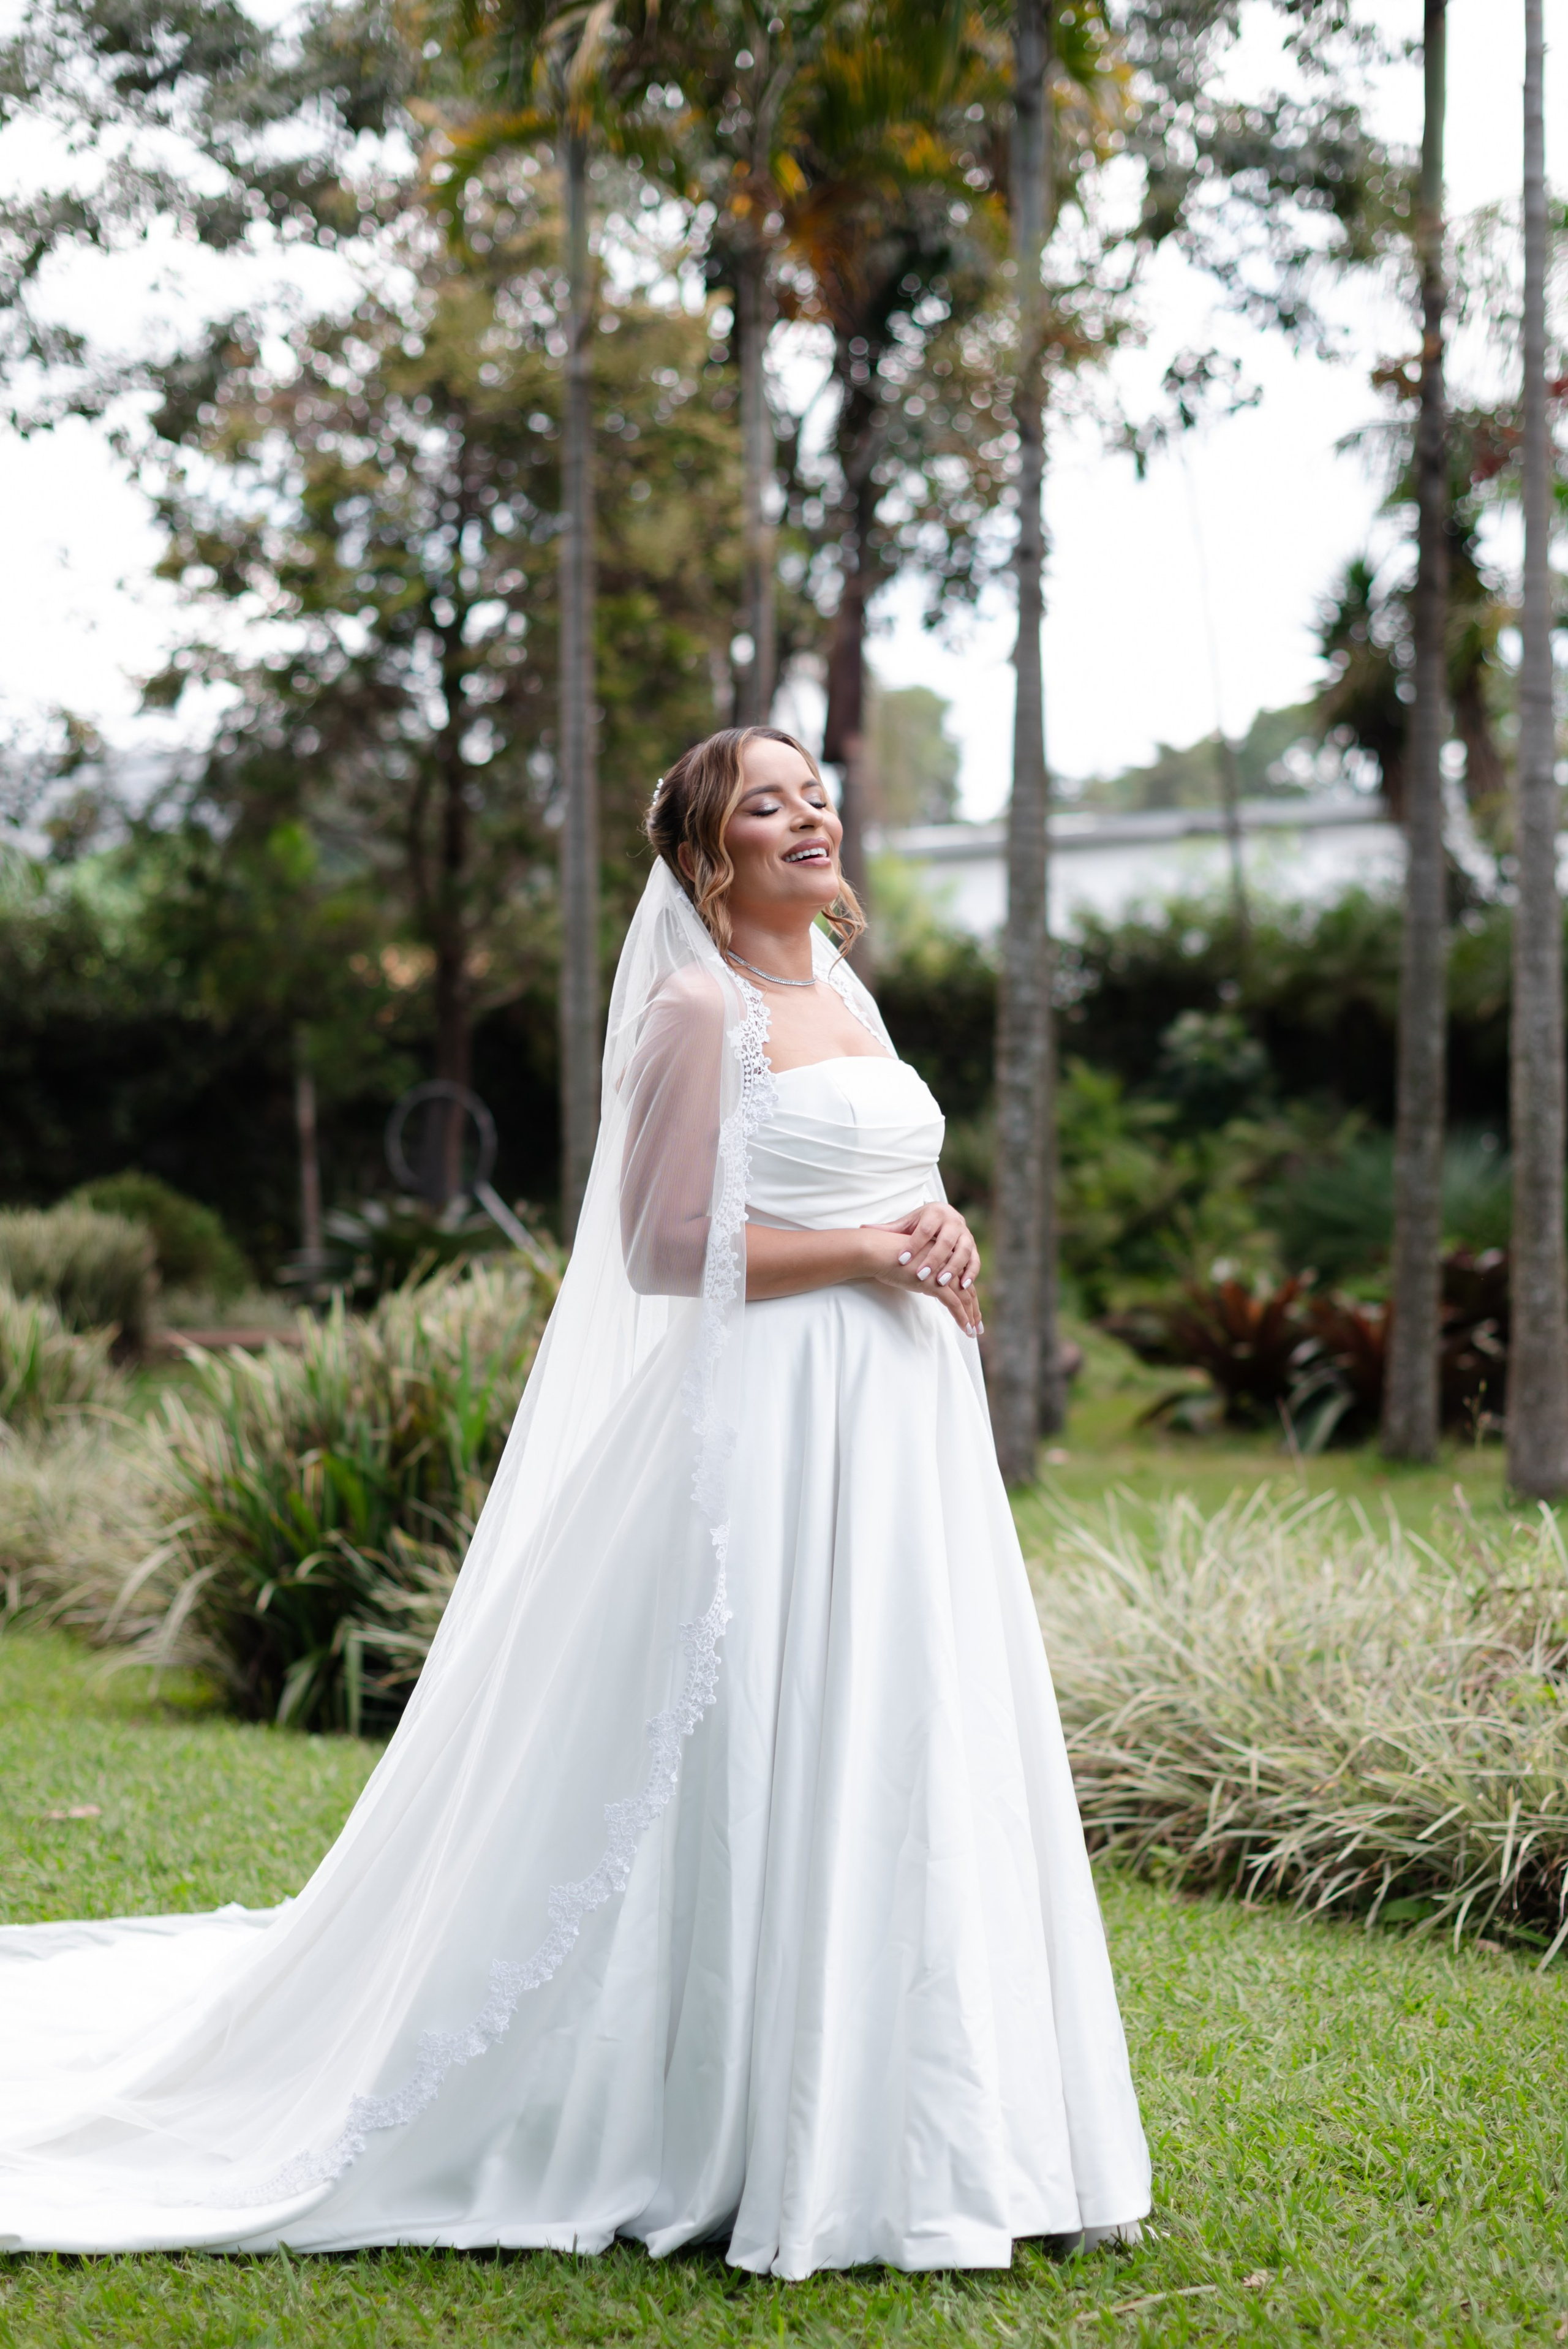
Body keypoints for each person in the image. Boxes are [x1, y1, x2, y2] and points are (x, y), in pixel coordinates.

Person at [0, 725, 1149, 2275]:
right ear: (705, 854)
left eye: (814, 792)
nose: (806, 812)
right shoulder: (695, 1006)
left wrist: (930, 1229)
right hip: (765, 1427)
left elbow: (876, 1174)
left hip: (896, 1427)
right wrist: (872, 1252)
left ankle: (937, 2121)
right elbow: (664, 1246)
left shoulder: (847, 999)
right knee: (746, 1741)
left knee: (897, 1729)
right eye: (767, 800)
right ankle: (728, 2113)